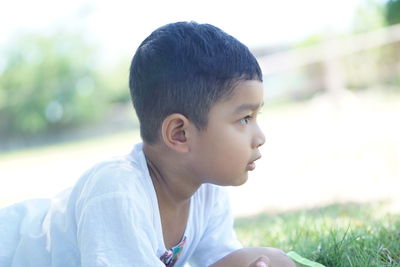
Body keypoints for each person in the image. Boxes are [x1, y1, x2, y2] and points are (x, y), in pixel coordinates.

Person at [0, 22, 295, 267]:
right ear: (179, 133)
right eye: (244, 118)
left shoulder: (206, 191)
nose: (259, 136)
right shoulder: (116, 192)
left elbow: (220, 259)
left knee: (274, 260)